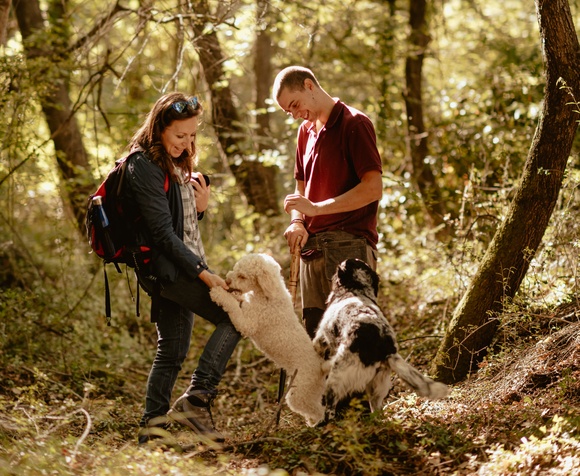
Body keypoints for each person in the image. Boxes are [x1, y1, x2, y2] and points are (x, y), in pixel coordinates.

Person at [123, 92, 241, 444]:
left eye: (192, 135)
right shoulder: (142, 165)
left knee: (172, 350)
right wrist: (203, 273)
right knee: (235, 316)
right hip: (170, 270)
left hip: (183, 263)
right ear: (159, 128)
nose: (187, 143)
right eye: (179, 136)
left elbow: (182, 223)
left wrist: (201, 207)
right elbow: (161, 233)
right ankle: (198, 397)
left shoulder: (175, 161)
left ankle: (152, 432)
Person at [272, 66, 383, 339]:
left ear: (310, 86)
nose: (295, 114)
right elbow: (301, 189)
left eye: (295, 104)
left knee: (353, 342)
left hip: (349, 247)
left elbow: (373, 188)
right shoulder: (304, 133)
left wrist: (317, 209)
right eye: (289, 111)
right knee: (317, 341)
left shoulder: (355, 123)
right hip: (311, 252)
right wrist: (298, 221)